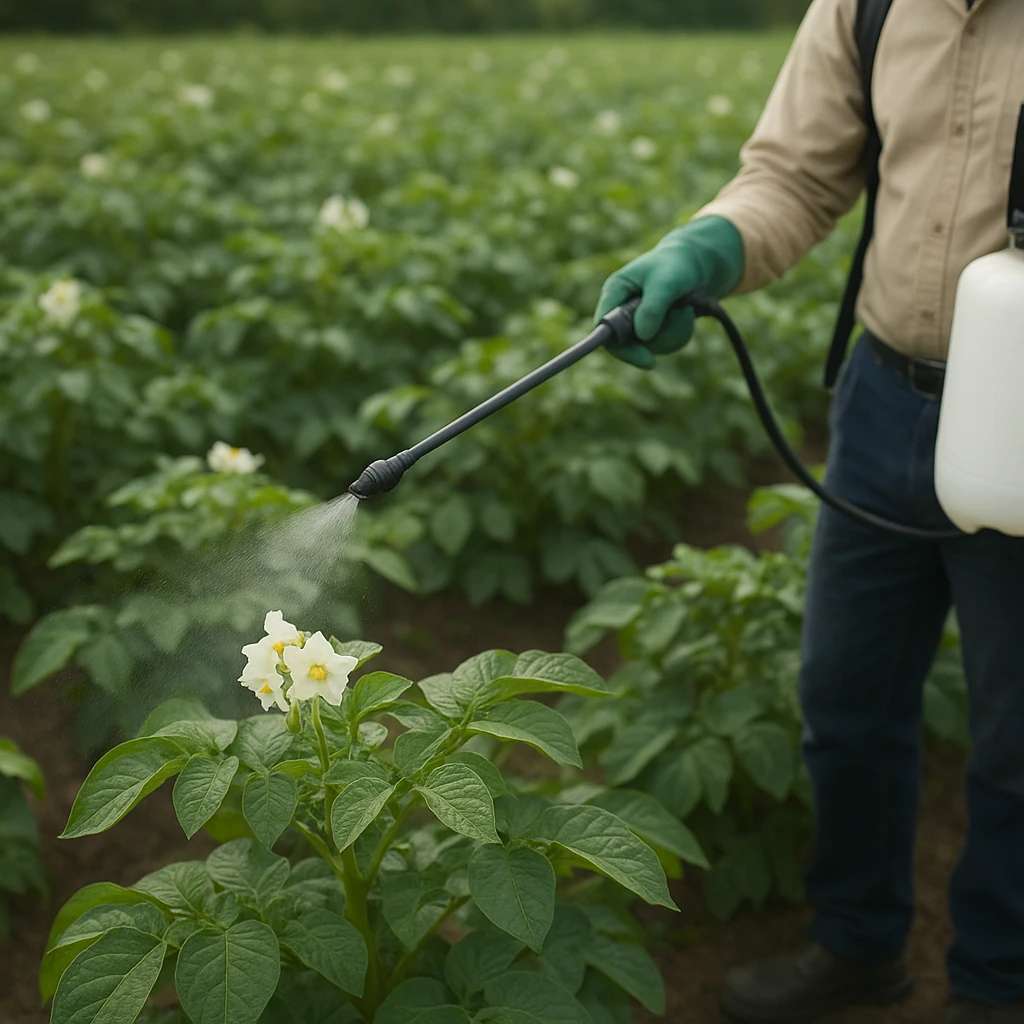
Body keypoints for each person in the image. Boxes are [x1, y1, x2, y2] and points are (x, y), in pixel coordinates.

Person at [593, 2, 1024, 1022]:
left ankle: (998, 982)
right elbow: (795, 173)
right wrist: (704, 248)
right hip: (881, 398)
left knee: (1018, 738)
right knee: (846, 696)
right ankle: (857, 942)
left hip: (1017, 410)